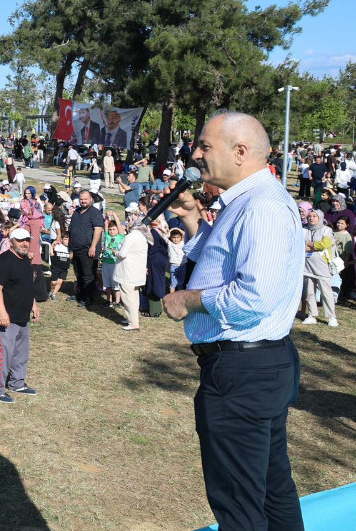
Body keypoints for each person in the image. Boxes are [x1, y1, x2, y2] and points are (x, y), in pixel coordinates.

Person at [160, 111, 305, 531]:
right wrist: (191, 221)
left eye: (205, 145)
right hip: (254, 368)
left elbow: (253, 297)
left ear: (240, 152)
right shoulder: (249, 203)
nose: (196, 152)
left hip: (242, 373)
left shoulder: (262, 207)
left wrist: (188, 299)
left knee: (240, 507)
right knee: (271, 491)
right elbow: (224, 263)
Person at [0, 228, 42, 403]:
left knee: (21, 353)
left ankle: (17, 382)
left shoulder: (25, 259)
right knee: (4, 354)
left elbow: (26, 285)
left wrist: (34, 304)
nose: (25, 243)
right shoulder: (3, 262)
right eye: (20, 240)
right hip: (7, 317)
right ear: (11, 241)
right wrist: (2, 313)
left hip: (22, 315)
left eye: (27, 240)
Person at [68, 190, 104, 308]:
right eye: (81, 199)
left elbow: (98, 230)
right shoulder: (77, 212)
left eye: (85, 199)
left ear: (91, 199)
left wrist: (93, 246)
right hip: (76, 248)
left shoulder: (95, 213)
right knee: (79, 274)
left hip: (88, 248)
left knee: (88, 275)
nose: (83, 201)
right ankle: (80, 295)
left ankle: (88, 299)